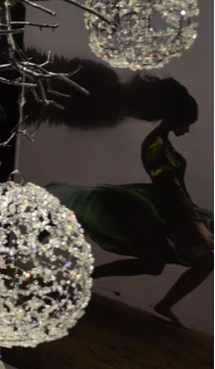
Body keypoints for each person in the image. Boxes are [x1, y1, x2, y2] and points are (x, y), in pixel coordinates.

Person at [45, 76, 212, 327]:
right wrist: (196, 223)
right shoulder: (156, 146)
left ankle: (88, 280)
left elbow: (178, 188)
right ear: (176, 118)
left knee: (163, 263)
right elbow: (171, 188)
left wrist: (193, 212)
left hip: (171, 207)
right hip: (159, 209)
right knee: (166, 262)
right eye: (186, 124)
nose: (187, 130)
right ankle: (88, 280)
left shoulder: (161, 144)